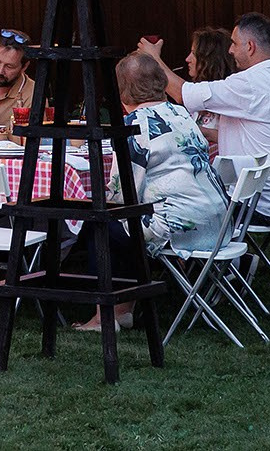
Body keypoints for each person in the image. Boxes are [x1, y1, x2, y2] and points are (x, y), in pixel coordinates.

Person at [75, 51, 230, 331]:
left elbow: (123, 195)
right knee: (126, 225)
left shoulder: (133, 127)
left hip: (182, 227)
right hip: (218, 221)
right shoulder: (181, 113)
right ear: (160, 81)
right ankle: (124, 310)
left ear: (121, 92)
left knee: (101, 225)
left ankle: (104, 317)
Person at [139, 12, 270, 224]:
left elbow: (183, 94)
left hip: (248, 203)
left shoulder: (252, 83)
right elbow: (259, 138)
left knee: (157, 197)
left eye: (234, 43)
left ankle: (173, 252)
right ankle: (222, 257)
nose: (230, 50)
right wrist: (198, 131)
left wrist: (153, 59)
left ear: (250, 47)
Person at [183, 26, 234, 154]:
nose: (187, 59)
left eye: (193, 53)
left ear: (209, 60)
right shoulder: (196, 94)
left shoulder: (230, 96)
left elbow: (238, 140)